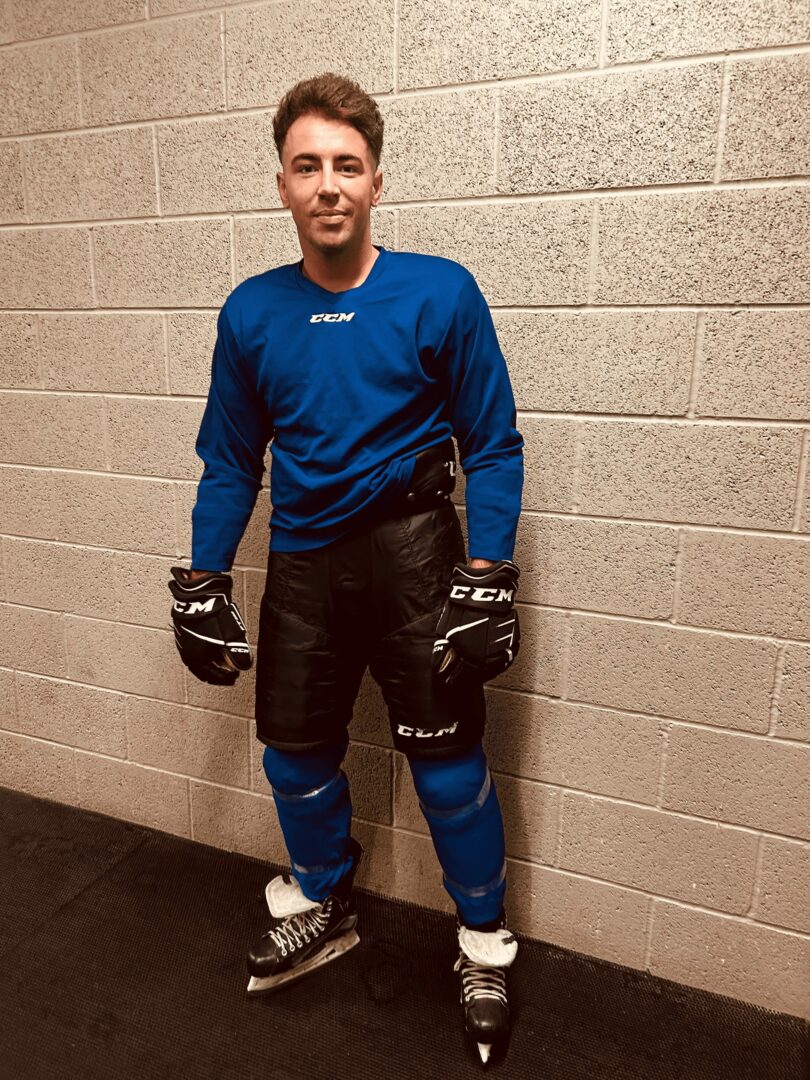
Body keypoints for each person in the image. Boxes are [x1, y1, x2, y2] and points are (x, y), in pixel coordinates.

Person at [168, 71, 524, 1067]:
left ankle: (484, 944)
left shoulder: (441, 292)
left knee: (448, 769)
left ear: (375, 181)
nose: (328, 184)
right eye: (308, 166)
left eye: (347, 165)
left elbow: (493, 444)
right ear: (282, 184)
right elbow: (230, 461)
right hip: (305, 564)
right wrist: (202, 581)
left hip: (417, 559)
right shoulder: (251, 312)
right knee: (293, 757)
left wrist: (488, 570)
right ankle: (324, 900)